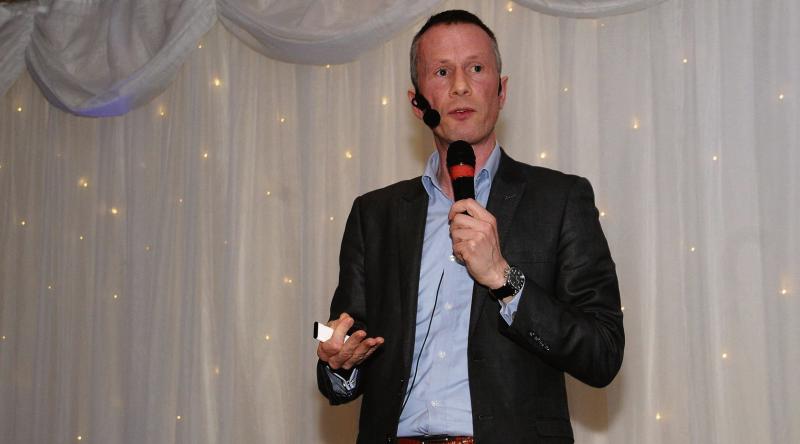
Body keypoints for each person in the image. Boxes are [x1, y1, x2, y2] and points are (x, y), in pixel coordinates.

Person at [316, 9, 624, 444]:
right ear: (416, 101)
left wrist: (504, 278)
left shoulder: (560, 199)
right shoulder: (375, 214)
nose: (460, 85)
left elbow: (603, 352)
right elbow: (345, 335)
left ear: (501, 90)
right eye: (441, 71)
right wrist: (338, 361)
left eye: (476, 69)